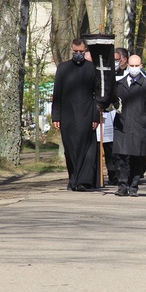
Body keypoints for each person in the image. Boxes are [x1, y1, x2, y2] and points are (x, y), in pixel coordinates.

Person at [52, 38, 99, 191]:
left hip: (87, 114)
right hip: (68, 115)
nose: (78, 54)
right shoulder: (63, 68)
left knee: (88, 149)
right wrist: (56, 116)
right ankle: (73, 179)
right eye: (75, 51)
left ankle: (84, 181)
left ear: (85, 51)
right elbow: (57, 93)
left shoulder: (92, 68)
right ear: (71, 50)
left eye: (81, 52)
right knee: (71, 149)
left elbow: (96, 95)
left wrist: (95, 116)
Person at [112, 55, 146, 197]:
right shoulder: (119, 84)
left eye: (136, 66)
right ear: (127, 66)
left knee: (136, 157)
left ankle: (133, 185)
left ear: (141, 66)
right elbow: (110, 102)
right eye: (131, 66)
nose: (133, 68)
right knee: (121, 157)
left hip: (140, 126)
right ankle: (122, 185)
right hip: (122, 125)